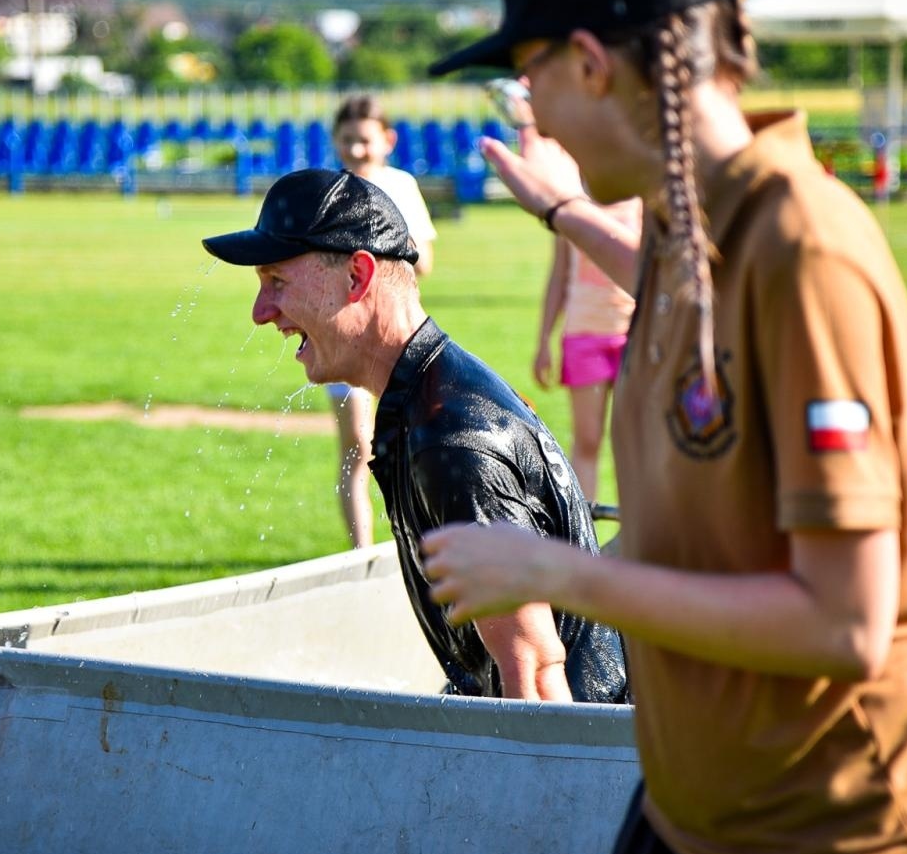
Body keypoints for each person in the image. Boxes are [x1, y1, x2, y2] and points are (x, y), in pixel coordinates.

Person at [423, 0, 907, 854]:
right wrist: (557, 207)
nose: (531, 112)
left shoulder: (802, 248)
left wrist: (557, 573)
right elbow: (667, 273)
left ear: (591, 63)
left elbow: (843, 622)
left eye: (527, 76)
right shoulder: (695, 227)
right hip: (697, 820)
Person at [202, 168, 627, 704]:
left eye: (277, 283)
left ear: (357, 277)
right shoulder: (427, 398)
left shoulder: (451, 439)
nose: (261, 313)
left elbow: (539, 678)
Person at [326, 95, 440, 549]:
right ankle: (362, 553)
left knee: (412, 442)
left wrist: (382, 248)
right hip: (344, 331)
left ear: (387, 141)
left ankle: (415, 540)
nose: (356, 150)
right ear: (335, 141)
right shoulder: (328, 191)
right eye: (347, 140)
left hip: (399, 333)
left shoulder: (401, 186)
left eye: (365, 141)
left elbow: (425, 261)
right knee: (358, 444)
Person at [533, 197, 640, 498]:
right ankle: (585, 533)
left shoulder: (640, 203)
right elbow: (559, 276)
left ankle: (631, 532)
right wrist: (544, 340)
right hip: (584, 335)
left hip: (633, 336)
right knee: (588, 439)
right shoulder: (569, 204)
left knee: (631, 442)